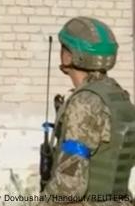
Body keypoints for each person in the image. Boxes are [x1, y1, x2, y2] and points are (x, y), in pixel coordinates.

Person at [42, 16, 135, 201]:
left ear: (71, 55)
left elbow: (70, 186)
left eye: (64, 48)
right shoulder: (117, 96)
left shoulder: (85, 103)